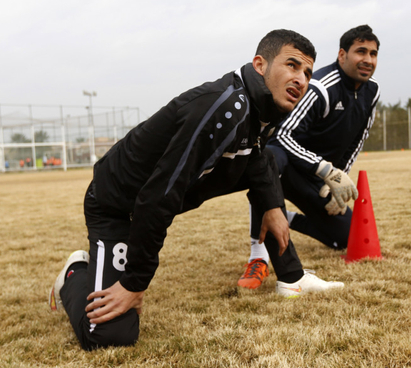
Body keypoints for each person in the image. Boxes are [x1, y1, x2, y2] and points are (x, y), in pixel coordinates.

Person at [49, 29, 344, 351]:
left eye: (307, 72)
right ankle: (75, 272)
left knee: (271, 162)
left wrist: (273, 207)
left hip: (153, 200)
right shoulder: (224, 107)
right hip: (119, 205)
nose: (301, 79)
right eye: (292, 65)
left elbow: (258, 157)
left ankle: (292, 277)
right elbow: (158, 195)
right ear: (260, 64)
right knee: (110, 336)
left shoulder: (266, 107)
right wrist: (135, 283)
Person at [238, 25, 380, 290]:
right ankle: (258, 256)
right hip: (288, 163)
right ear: (342, 55)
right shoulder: (320, 87)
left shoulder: (372, 92)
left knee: (346, 235)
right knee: (270, 159)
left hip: (315, 174)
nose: (368, 60)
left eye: (373, 53)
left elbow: (356, 142)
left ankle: (284, 216)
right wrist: (326, 169)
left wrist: (338, 177)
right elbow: (283, 136)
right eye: (361, 52)